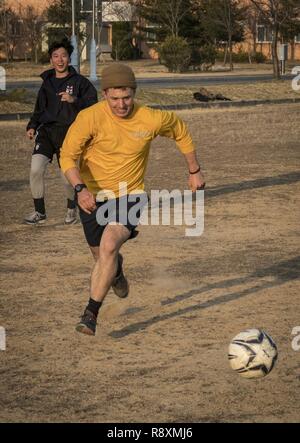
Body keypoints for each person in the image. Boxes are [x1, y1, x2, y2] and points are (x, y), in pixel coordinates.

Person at [60, 63, 205, 336]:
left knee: (109, 243)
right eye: (114, 98)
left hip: (130, 193)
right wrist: (80, 189)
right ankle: (116, 272)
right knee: (100, 255)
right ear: (104, 95)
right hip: (92, 195)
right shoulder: (89, 118)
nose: (121, 104)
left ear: (134, 93)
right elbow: (67, 156)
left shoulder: (149, 118)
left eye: (126, 97)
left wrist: (194, 170)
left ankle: (90, 314)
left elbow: (180, 130)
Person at [24, 38, 98, 225]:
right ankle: (39, 213)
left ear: (69, 58)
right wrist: (32, 126)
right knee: (35, 170)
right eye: (55, 56)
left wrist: (74, 100)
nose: (60, 59)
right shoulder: (47, 83)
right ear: (51, 60)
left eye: (63, 55)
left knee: (67, 177)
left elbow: (93, 106)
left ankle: (71, 210)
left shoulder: (80, 82)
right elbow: (39, 109)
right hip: (47, 133)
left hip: (69, 134)